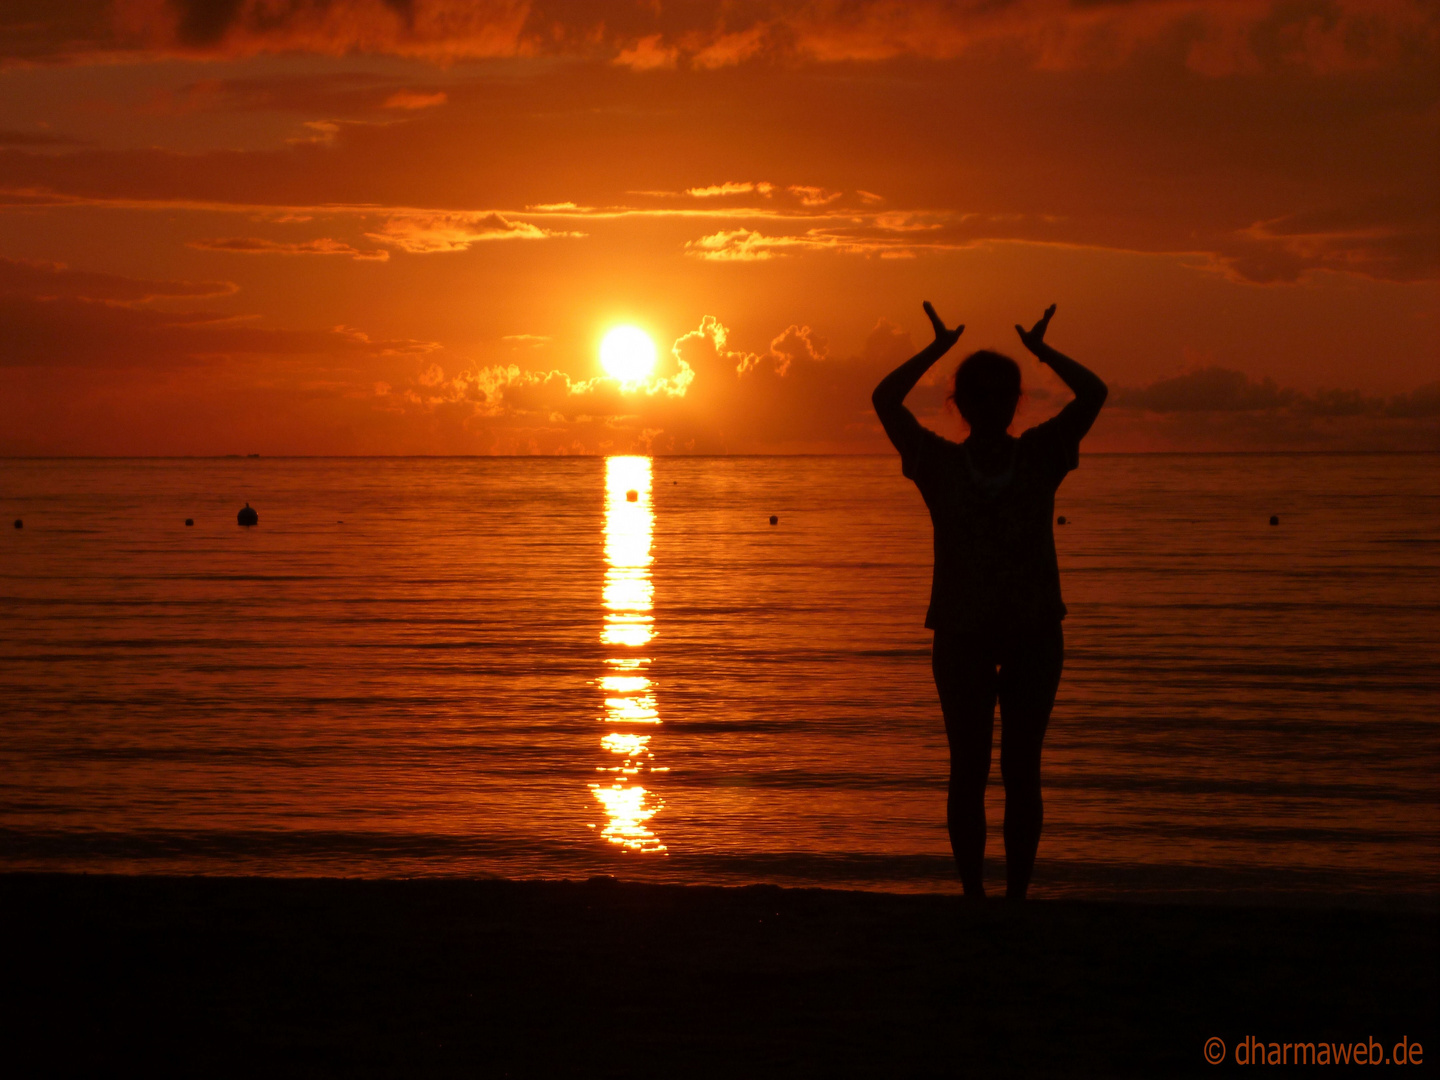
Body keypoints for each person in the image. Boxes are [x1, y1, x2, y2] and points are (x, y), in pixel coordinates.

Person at [872, 302, 1107, 900]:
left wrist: (1041, 351)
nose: (993, 405)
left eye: (1002, 395)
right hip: (967, 633)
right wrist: (939, 350)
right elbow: (883, 400)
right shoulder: (944, 463)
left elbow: (1095, 393)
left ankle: (1010, 898)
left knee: (1015, 771)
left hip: (1024, 631)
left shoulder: (1036, 454)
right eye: (984, 395)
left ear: (1011, 402)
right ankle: (980, 897)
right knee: (975, 771)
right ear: (964, 403)